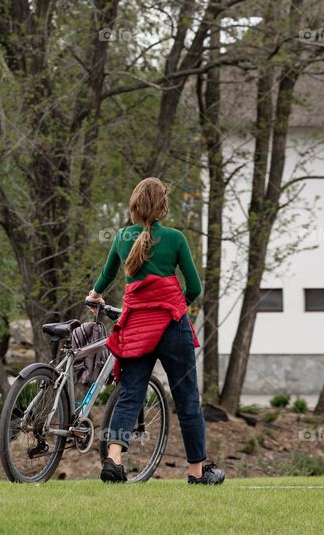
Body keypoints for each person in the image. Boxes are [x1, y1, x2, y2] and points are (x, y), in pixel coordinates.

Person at [88, 177, 224, 485]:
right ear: (162, 207)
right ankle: (196, 472)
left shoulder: (122, 236)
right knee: (187, 398)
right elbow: (195, 287)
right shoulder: (175, 238)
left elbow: (107, 274)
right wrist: (176, 306)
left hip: (136, 327)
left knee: (130, 394)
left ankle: (113, 459)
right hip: (171, 328)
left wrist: (95, 295)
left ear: (134, 206)